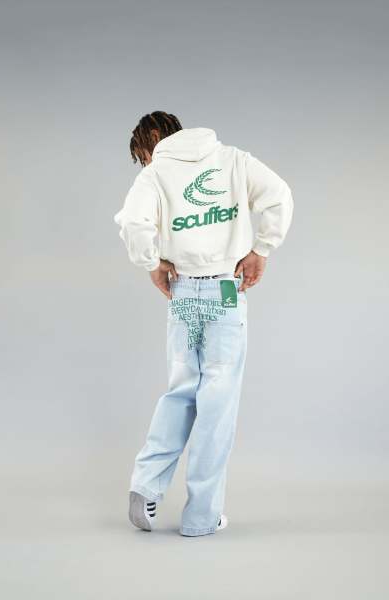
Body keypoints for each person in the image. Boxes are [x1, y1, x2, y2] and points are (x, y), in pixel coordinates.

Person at [114, 111, 293, 536]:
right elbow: (279, 195)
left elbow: (133, 223)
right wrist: (261, 249)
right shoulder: (233, 160)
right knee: (218, 403)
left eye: (143, 154)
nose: (145, 161)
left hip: (183, 293)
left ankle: (146, 485)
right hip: (225, 292)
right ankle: (200, 516)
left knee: (180, 392)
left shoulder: (155, 174)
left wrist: (151, 263)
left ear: (152, 138)